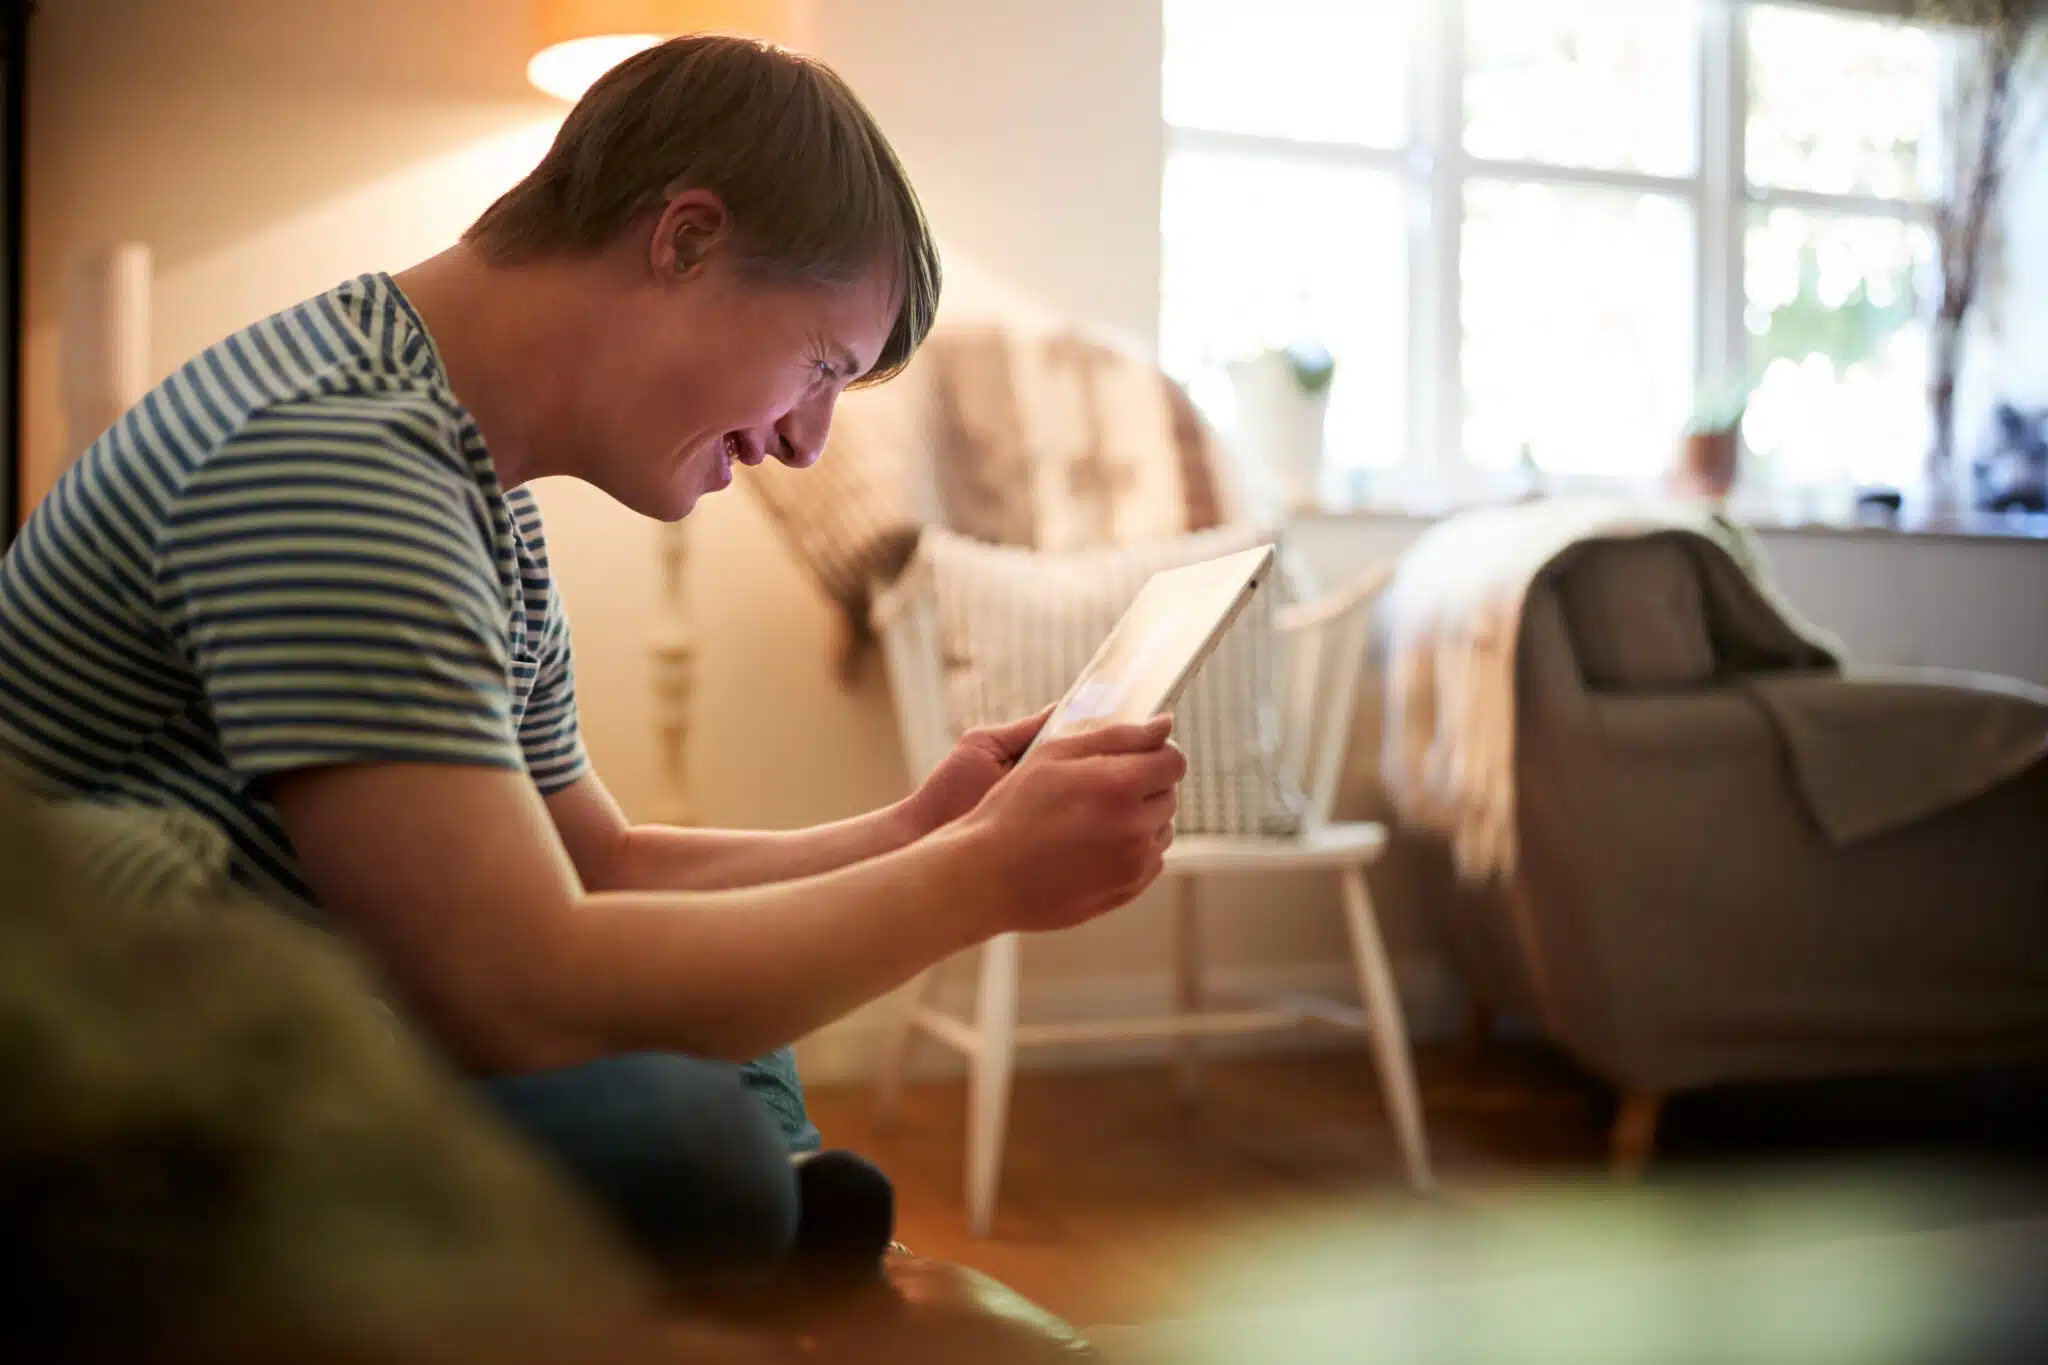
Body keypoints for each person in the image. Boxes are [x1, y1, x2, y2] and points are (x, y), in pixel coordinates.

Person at [0, 35, 1184, 1280]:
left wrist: (924, 833)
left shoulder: (465, 477)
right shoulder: (336, 457)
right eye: (820, 364)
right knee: (684, 1121)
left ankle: (760, 1215)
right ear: (682, 241)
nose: (803, 441)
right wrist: (981, 881)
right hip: (100, 1085)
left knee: (729, 1022)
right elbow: (517, 991)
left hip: (282, 1027)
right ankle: (758, 1209)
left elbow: (598, 866)